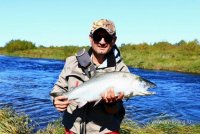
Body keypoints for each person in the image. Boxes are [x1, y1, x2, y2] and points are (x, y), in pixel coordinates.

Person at [51, 19, 130, 134]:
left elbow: (115, 110)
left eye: (107, 37)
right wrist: (55, 100)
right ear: (91, 38)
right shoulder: (72, 62)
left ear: (114, 40)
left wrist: (111, 103)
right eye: (98, 37)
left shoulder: (121, 71)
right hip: (72, 129)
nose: (102, 42)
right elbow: (58, 89)